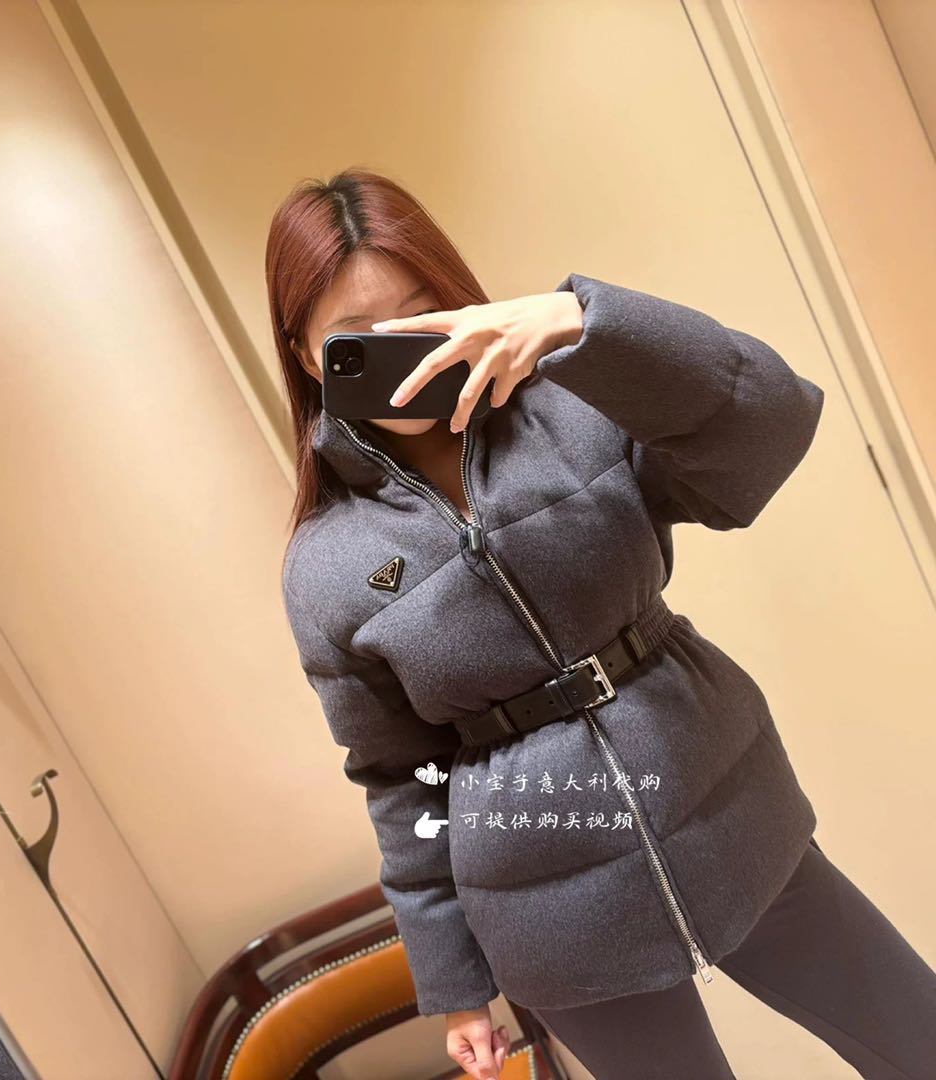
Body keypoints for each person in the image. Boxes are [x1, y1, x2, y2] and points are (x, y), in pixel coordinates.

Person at [269, 167, 936, 1079]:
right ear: (309, 357)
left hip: (733, 815)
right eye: (358, 342)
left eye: (423, 318)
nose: (406, 358)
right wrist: (456, 984)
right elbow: (397, 778)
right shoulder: (325, 565)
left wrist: (582, 323)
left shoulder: (575, 407)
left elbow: (771, 425)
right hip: (548, 919)